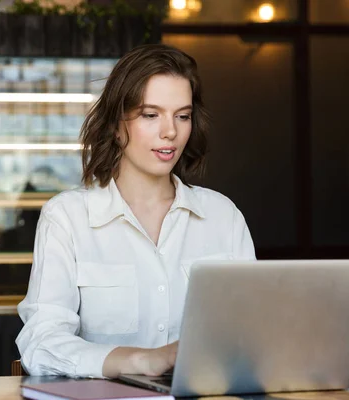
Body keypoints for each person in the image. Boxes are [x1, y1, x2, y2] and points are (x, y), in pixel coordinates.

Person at [15, 43, 256, 379]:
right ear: (116, 124)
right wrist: (141, 360)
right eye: (150, 114)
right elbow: (41, 343)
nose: (170, 131)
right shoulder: (66, 218)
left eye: (182, 116)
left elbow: (253, 334)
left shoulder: (223, 216)